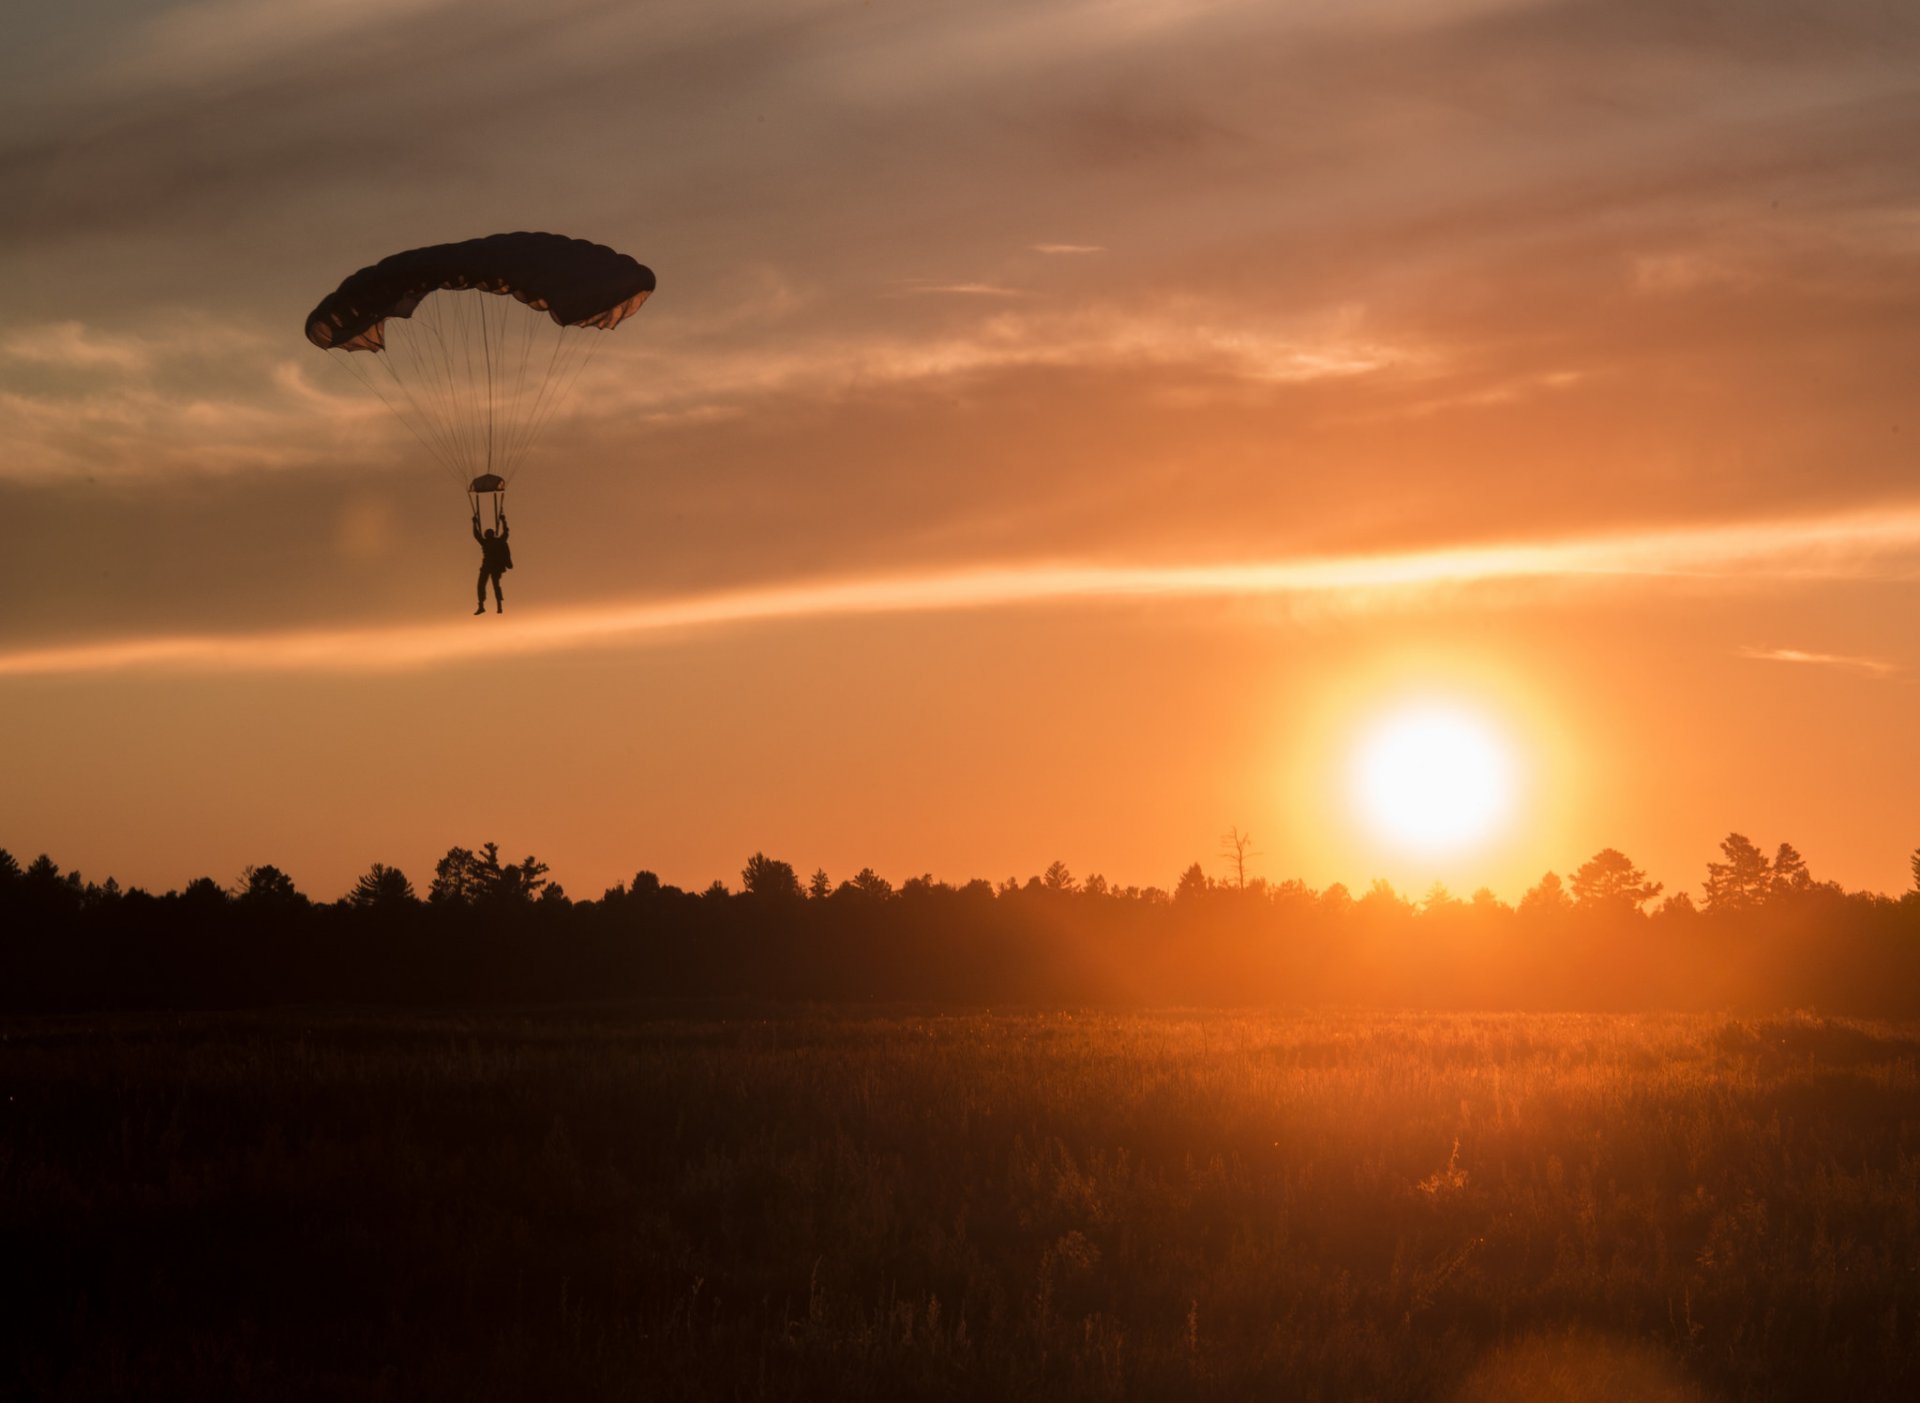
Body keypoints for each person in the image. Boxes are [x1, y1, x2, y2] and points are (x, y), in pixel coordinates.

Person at [473, 512, 512, 614]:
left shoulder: (495, 542)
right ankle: (482, 605)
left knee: (494, 585)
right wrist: (474, 523)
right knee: (483, 585)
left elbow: (506, 532)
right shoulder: (488, 542)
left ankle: (498, 605)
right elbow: (477, 535)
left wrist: (504, 520)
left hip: (494, 567)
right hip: (487, 567)